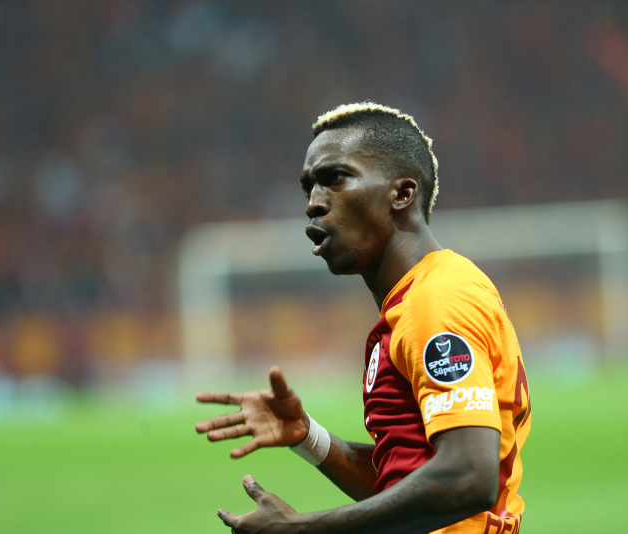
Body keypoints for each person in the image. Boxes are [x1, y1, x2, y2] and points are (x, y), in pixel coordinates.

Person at [195, 102, 531, 533]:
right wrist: (308, 436)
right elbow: (409, 481)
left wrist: (301, 528)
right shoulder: (413, 301)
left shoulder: (436, 299)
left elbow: (467, 477)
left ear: (402, 194)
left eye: (335, 178)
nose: (314, 204)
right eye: (309, 187)